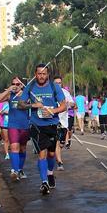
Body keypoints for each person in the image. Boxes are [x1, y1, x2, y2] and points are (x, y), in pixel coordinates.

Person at [19, 64, 66, 194]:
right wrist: (33, 105)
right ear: (35, 74)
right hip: (36, 125)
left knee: (51, 154)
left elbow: (64, 105)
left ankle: (50, 173)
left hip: (52, 124)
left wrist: (53, 110)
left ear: (48, 74)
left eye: (44, 73)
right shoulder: (30, 87)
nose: (41, 76)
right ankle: (44, 182)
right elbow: (20, 104)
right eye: (39, 73)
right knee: (42, 153)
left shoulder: (54, 86)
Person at [0, 76, 29, 182]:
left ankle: (20, 169)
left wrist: (26, 90)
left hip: (25, 126)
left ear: (22, 85)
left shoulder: (27, 94)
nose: (15, 86)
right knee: (14, 147)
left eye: (18, 84)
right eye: (13, 84)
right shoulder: (10, 95)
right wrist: (8, 90)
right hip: (13, 125)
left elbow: (37, 101)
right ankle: (15, 170)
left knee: (22, 149)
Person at [53, 76, 73, 170]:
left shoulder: (65, 93)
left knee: (61, 144)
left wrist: (70, 104)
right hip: (54, 121)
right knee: (57, 143)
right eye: (56, 83)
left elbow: (73, 104)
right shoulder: (50, 93)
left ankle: (56, 154)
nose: (58, 84)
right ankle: (60, 163)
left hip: (64, 122)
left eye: (59, 83)